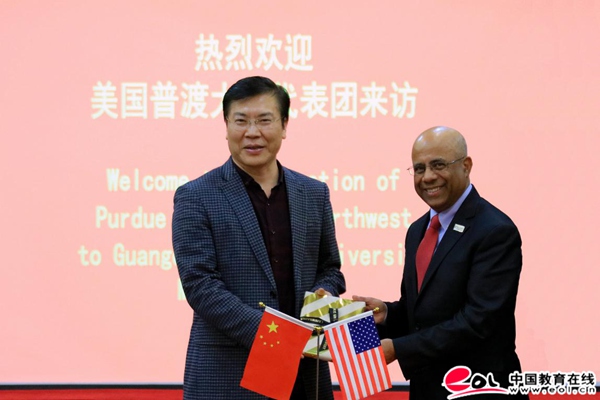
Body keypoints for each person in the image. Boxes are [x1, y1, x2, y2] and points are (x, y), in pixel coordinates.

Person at [172, 76, 346, 400]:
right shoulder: (196, 196)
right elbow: (200, 285)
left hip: (304, 377)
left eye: (264, 120)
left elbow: (330, 268)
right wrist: (276, 336)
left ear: (284, 125)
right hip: (229, 376)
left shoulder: (313, 193)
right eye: (241, 121)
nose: (252, 132)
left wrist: (324, 294)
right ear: (226, 126)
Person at [354, 126, 528, 399]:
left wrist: (398, 349)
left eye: (438, 165)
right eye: (419, 168)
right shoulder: (417, 231)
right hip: (428, 390)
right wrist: (387, 313)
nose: (428, 177)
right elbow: (422, 313)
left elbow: (478, 322)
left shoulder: (495, 231)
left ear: (466, 166)